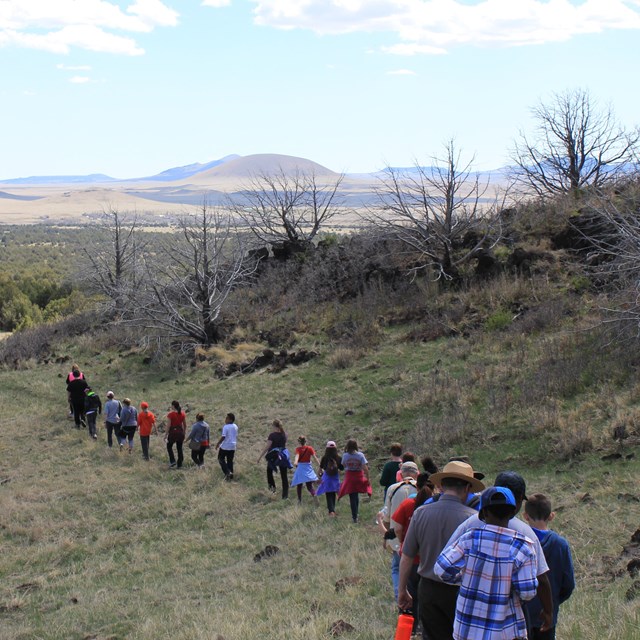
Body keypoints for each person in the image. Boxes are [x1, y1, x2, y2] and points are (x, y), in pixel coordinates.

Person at [444, 471, 554, 635]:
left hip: (469, 615)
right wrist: (548, 611)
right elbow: (539, 579)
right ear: (516, 503)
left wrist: (467, 580)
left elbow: (444, 564)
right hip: (506, 620)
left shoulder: (470, 527)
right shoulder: (524, 535)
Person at [434, 486, 538, 640]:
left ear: (484, 513)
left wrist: (466, 579)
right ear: (511, 512)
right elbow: (528, 592)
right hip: (506, 631)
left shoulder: (469, 538)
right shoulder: (523, 547)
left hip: (467, 629)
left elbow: (441, 569)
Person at [398, 460, 485, 640]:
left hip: (428, 589)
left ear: (441, 486)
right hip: (462, 591)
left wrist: (402, 590)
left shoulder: (421, 513)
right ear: (468, 488)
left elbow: (406, 556)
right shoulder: (474, 520)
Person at [523, 493, 575, 640]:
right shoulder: (561, 545)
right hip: (547, 616)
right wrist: (553, 601)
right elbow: (569, 584)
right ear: (552, 516)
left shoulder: (520, 541)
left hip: (520, 614)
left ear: (525, 516)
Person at [390, 472, 434, 637]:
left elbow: (398, 528)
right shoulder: (435, 507)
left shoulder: (408, 504)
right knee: (425, 596)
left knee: (410, 595)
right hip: (428, 560)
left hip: (409, 559)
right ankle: (423, 627)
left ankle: (410, 629)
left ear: (417, 486)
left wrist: (403, 543)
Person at [382, 461, 420, 601]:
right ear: (417, 473)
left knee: (397, 568)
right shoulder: (421, 488)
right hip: (417, 538)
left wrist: (386, 535)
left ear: (401, 473)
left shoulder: (392, 488)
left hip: (397, 537)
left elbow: (387, 515)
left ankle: (400, 597)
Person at [337, 438, 371, 523]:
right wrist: (368, 478)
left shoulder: (345, 455)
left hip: (349, 477)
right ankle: (356, 514)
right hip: (358, 476)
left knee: (352, 496)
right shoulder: (360, 455)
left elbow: (343, 465)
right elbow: (365, 468)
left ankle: (354, 516)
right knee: (356, 495)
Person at [257, 419, 292, 499]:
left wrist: (260, 457)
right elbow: (284, 444)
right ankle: (285, 495)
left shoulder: (272, 435)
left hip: (273, 456)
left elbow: (267, 447)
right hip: (283, 456)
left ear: (274, 426)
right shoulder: (284, 434)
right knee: (284, 476)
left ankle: (272, 489)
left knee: (269, 472)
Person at [316, 440, 343, 516]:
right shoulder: (338, 457)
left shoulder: (324, 457)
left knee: (328, 494)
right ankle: (333, 510)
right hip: (335, 478)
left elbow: (320, 468)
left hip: (327, 477)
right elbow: (342, 468)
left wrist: (319, 476)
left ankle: (331, 511)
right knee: (333, 493)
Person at [291, 435, 321, 504]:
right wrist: (320, 466)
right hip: (307, 467)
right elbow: (315, 458)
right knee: (309, 486)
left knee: (299, 485)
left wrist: (295, 462)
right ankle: (314, 494)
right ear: (305, 441)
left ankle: (299, 501)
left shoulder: (298, 449)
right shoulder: (310, 448)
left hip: (301, 467)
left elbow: (297, 456)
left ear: (299, 442)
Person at [215, 412, 238, 481]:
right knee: (230, 461)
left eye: (227, 418)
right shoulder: (235, 426)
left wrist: (218, 443)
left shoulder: (226, 427)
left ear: (230, 419)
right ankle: (230, 476)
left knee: (220, 459)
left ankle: (227, 472)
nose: (225, 419)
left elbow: (223, 437)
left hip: (225, 446)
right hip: (233, 446)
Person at [166, 400, 187, 468]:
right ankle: (179, 464)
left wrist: (166, 435)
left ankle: (172, 461)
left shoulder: (170, 414)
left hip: (173, 433)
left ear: (173, 406)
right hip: (180, 433)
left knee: (169, 446)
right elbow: (185, 425)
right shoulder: (182, 413)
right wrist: (184, 433)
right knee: (179, 448)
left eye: (171, 405)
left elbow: (168, 426)